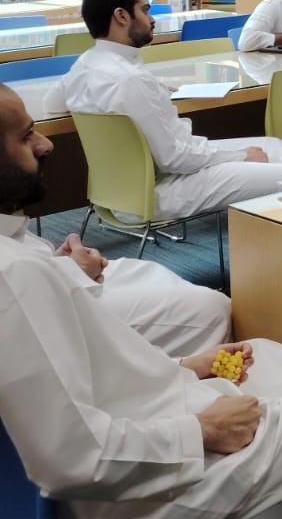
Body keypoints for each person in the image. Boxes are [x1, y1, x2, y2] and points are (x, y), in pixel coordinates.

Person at [0, 86, 282, 519]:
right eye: (25, 137)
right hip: (155, 474)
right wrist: (202, 430)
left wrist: (182, 367)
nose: (46, 144)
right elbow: (73, 459)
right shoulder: (15, 274)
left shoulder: (19, 260)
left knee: (261, 349)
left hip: (159, 415)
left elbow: (77, 381)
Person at [0, 85, 230, 357]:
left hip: (106, 218)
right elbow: (175, 158)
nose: (46, 145)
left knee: (151, 274)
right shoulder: (128, 80)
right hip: (147, 195)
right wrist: (68, 274)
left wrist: (56, 265)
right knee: (212, 307)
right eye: (26, 136)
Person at [57, 0, 282, 219]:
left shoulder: (86, 63)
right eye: (145, 10)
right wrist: (241, 156)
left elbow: (53, 103)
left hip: (125, 187)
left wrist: (153, 91)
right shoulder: (130, 80)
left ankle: (277, 222)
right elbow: (174, 159)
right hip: (158, 189)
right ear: (121, 16)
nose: (152, 19)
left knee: (272, 145)